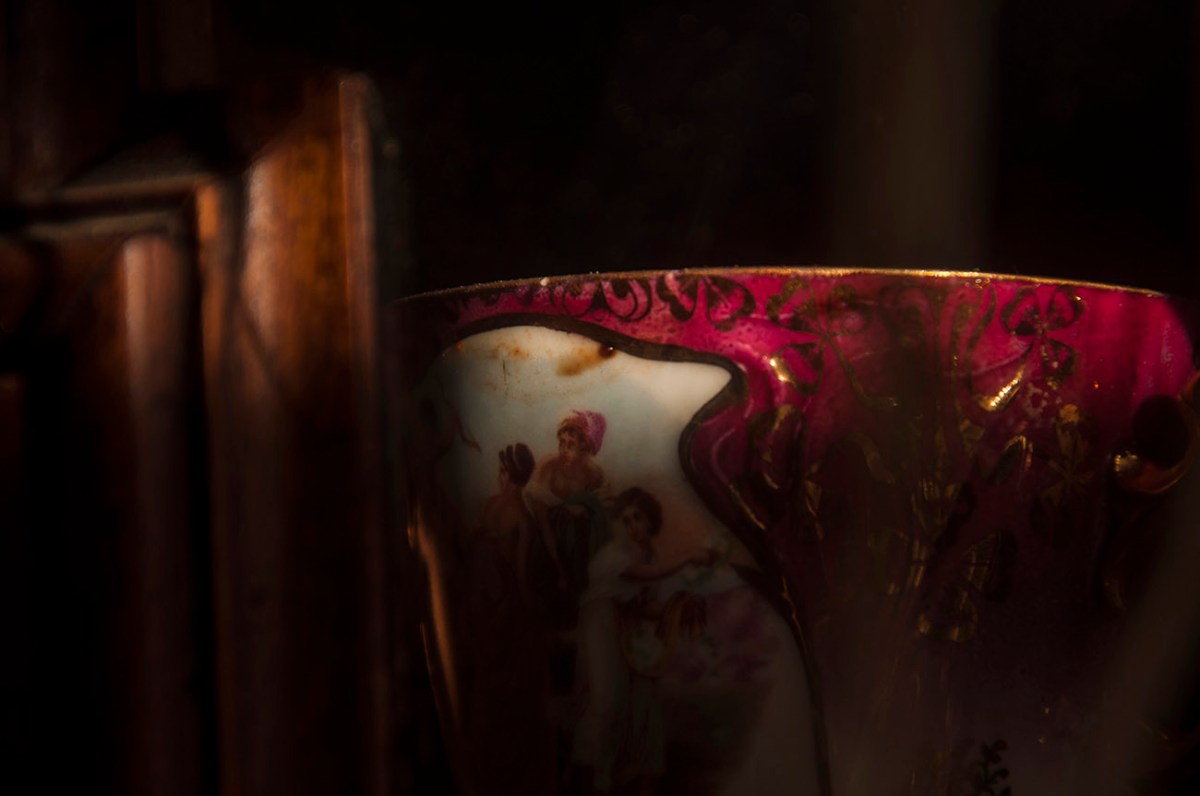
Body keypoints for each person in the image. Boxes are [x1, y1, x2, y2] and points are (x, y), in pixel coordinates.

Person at [571, 487, 717, 795]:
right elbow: (643, 575)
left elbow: (647, 606)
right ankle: (596, 776)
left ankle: (622, 773)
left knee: (636, 701)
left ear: (651, 519)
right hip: (600, 622)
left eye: (637, 517)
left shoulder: (652, 556)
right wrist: (691, 556)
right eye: (626, 520)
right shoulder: (615, 555)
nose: (633, 526)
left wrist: (679, 605)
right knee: (608, 701)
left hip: (627, 626)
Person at [526, 410, 610, 601]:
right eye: (561, 443)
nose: (563, 449)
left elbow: (600, 512)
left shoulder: (593, 475)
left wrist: (584, 510)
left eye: (570, 444)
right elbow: (543, 521)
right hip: (548, 540)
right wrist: (560, 570)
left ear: (584, 448)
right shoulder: (548, 468)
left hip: (580, 541)